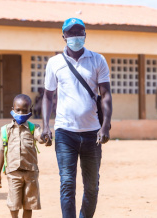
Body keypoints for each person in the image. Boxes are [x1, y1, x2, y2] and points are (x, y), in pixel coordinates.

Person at [41, 18, 112, 218]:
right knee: (67, 184)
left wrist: (105, 126)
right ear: (63, 36)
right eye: (71, 33)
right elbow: (48, 96)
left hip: (92, 133)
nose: (75, 37)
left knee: (92, 186)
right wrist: (46, 125)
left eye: (79, 32)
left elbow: (105, 95)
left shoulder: (98, 60)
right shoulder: (55, 63)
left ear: (85, 35)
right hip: (65, 133)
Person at [0, 94, 44, 218]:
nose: (21, 113)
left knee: (29, 204)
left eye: (25, 110)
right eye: (18, 110)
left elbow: (40, 138)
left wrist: (45, 139)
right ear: (13, 109)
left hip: (30, 172)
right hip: (13, 172)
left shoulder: (34, 128)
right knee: (14, 204)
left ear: (30, 110)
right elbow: (2, 151)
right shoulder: (6, 130)